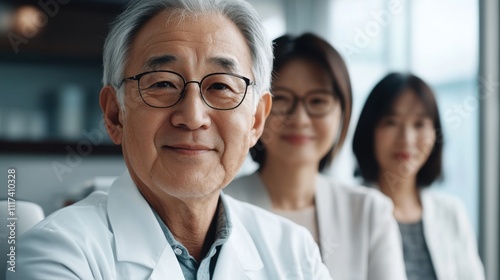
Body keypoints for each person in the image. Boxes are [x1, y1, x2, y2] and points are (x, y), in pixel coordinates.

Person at [8, 1, 332, 279]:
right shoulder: (57, 253)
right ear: (114, 115)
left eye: (220, 86)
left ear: (257, 120)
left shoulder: (295, 253)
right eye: (162, 83)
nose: (192, 116)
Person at [224, 33, 407, 280]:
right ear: (258, 108)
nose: (300, 119)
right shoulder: (219, 207)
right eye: (282, 99)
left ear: (343, 111)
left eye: (318, 101)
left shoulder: (369, 212)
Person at [352, 72, 485, 280]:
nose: (406, 138)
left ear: (435, 133)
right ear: (369, 131)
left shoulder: (451, 213)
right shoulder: (350, 210)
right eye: (391, 122)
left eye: (419, 124)